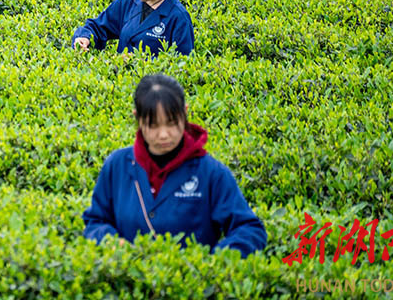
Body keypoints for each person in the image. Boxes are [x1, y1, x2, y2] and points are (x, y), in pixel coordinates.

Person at [82, 74, 266, 257]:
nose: (163, 135)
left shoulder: (210, 173)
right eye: (153, 125)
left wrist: (213, 262)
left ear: (185, 113)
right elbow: (95, 221)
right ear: (138, 118)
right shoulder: (117, 166)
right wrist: (110, 241)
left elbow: (249, 229)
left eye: (171, 123)